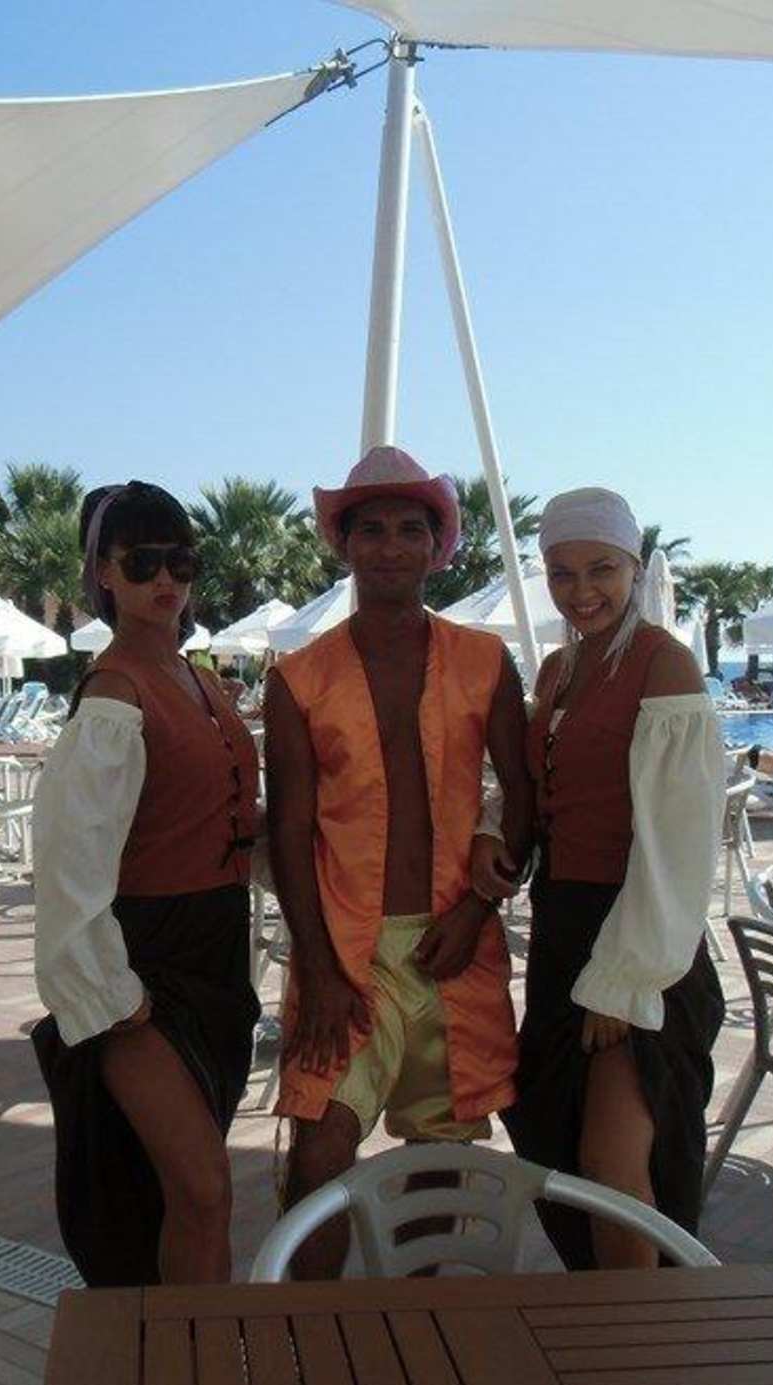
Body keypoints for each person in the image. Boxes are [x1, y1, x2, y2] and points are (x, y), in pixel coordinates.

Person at [265, 446, 533, 1279]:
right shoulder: (298, 679)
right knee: (319, 1152)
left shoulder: (483, 662)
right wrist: (318, 968)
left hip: (455, 945)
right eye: (371, 530)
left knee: (439, 1159)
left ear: (436, 545)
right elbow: (289, 832)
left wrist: (477, 910)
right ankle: (306, 1333)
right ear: (344, 545)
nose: (390, 547)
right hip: (347, 952)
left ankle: (412, 1328)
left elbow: (525, 797)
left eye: (409, 529)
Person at [472, 488, 726, 1269]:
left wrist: (624, 980)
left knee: (615, 1163)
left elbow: (681, 841)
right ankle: (612, 1310)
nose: (582, 590)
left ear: (634, 568)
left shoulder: (664, 662)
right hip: (564, 934)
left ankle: (641, 1331)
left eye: (602, 569)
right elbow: (531, 786)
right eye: (562, 572)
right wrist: (493, 833)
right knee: (558, 1141)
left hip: (641, 939)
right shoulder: (558, 670)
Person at [31, 482, 262, 1286]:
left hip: (216, 953)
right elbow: (68, 864)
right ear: (103, 572)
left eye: (181, 561)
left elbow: (221, 817)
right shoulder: (112, 695)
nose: (165, 578)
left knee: (174, 1190)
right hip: (144, 962)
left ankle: (179, 1347)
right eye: (142, 562)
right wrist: (110, 995)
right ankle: (194, 1351)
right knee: (203, 1186)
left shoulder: (198, 678)